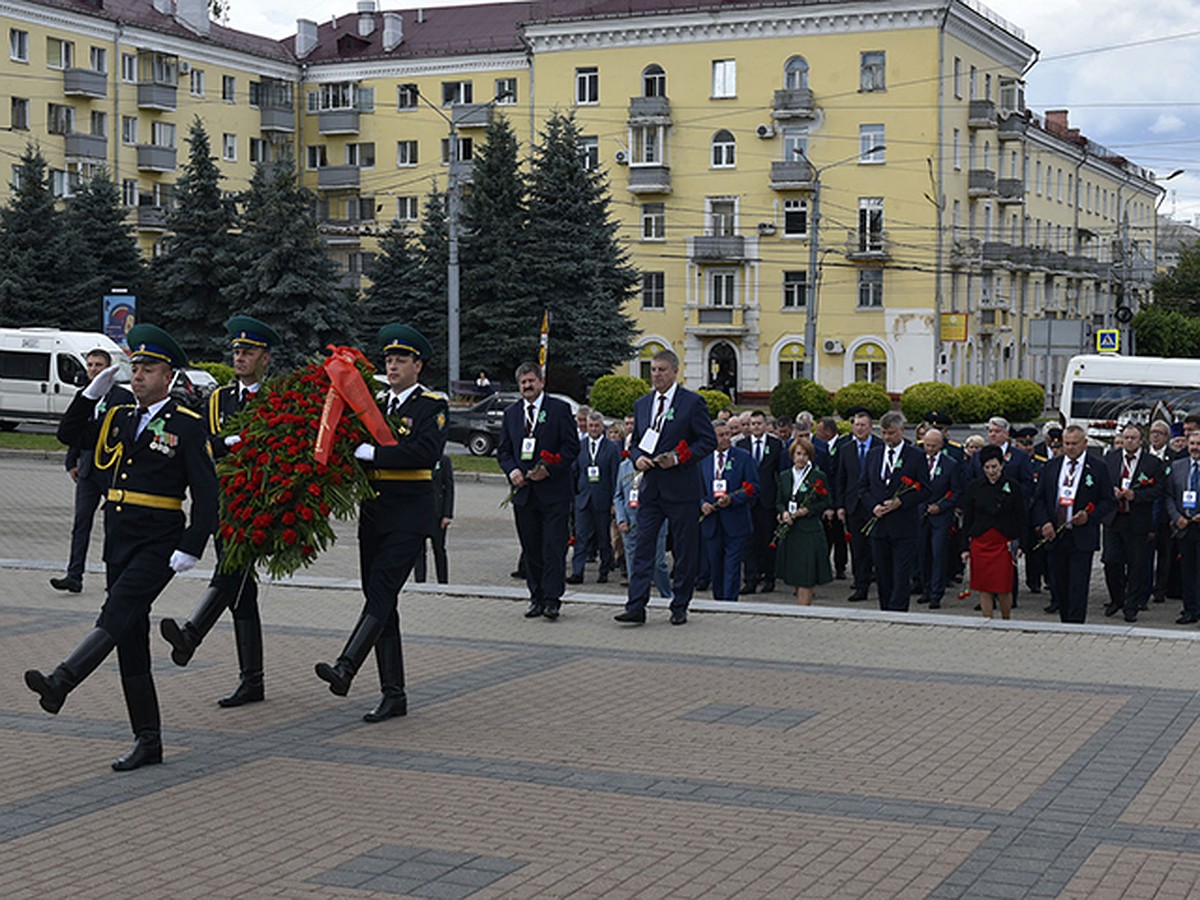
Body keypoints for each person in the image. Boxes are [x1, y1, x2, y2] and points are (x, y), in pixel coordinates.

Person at [25, 324, 217, 770]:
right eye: (136, 368)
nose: (139, 376)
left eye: (149, 369)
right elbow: (69, 435)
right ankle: (148, 741)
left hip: (160, 542)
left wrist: (192, 545)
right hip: (120, 541)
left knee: (115, 613)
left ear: (168, 376)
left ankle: (62, 680)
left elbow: (207, 496)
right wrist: (89, 395)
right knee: (130, 639)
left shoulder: (186, 426)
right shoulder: (121, 417)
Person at [314, 324, 449, 722]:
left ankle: (346, 667)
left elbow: (426, 453)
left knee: (383, 591)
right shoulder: (373, 404)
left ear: (417, 366)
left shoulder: (431, 405)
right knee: (380, 601)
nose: (393, 365)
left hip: (410, 513)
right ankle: (394, 694)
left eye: (401, 359)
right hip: (374, 513)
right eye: (389, 359)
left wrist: (374, 453)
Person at [159, 315, 280, 708]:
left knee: (231, 571)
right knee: (242, 593)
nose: (239, 357)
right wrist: (227, 443)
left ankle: (193, 633)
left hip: (260, 504)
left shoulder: (277, 398)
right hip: (224, 500)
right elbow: (204, 445)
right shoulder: (218, 399)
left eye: (248, 351)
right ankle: (253, 680)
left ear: (265, 357)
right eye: (236, 351)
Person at [616, 347, 717, 626]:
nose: (657, 374)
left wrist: (678, 458)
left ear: (675, 371)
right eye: (654, 369)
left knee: (684, 551)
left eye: (662, 369)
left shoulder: (691, 403)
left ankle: (680, 604)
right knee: (642, 547)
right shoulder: (642, 404)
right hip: (651, 489)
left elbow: (707, 441)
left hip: (682, 489)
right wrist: (638, 459)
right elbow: (635, 442)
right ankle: (636, 605)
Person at [497, 362, 579, 619]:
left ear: (541, 382)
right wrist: (512, 472)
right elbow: (504, 451)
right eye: (523, 382)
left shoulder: (559, 409)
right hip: (524, 494)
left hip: (553, 492)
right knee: (530, 548)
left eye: (531, 381)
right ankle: (536, 597)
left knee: (553, 548)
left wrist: (550, 469)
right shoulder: (511, 414)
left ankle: (553, 599)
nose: (527, 386)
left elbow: (571, 448)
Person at [51, 347, 134, 594]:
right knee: (81, 522)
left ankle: (114, 578)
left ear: (108, 369)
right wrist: (71, 462)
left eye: (98, 365)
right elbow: (75, 432)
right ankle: (74, 575)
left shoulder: (122, 397)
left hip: (110, 470)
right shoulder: (84, 396)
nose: (93, 369)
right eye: (90, 365)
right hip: (87, 469)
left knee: (113, 524)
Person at [1031, 424, 1116, 624]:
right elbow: (1040, 499)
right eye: (1066, 443)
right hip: (1056, 535)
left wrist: (1090, 517)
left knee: (1078, 585)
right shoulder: (1052, 466)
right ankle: (1064, 621)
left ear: (1085, 444)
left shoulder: (1098, 468)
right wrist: (1044, 523)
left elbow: (1108, 501)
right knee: (1059, 583)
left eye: (1074, 444)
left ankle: (1076, 624)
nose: (1070, 448)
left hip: (1081, 536)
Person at [859, 411, 926, 612]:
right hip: (879, 525)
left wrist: (901, 501)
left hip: (903, 526)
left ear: (901, 431)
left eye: (891, 433)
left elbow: (925, 489)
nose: (887, 438)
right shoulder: (874, 454)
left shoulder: (915, 456)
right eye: (884, 433)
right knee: (882, 572)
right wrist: (873, 506)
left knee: (901, 572)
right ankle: (885, 608)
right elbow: (863, 487)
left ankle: (898, 610)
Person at [1101, 423, 1163, 623]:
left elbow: (1159, 490)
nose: (1129, 441)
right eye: (1126, 437)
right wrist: (1112, 493)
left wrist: (1135, 495)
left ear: (1140, 440)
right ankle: (1117, 598)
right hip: (1114, 518)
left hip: (1137, 520)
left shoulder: (1152, 463)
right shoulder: (1110, 458)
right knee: (1110, 561)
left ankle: (1131, 605)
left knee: (1136, 565)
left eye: (1133, 438)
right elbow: (1102, 485)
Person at [960, 445, 1026, 620]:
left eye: (994, 467)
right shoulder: (974, 487)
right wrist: (964, 548)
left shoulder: (1012, 486)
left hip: (1003, 542)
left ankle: (1006, 620)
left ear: (1002, 465)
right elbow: (968, 518)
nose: (991, 471)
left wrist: (1022, 544)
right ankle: (987, 619)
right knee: (984, 586)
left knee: (1003, 586)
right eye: (987, 468)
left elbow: (1021, 516)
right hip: (980, 542)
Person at [699, 420, 758, 602]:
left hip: (735, 521)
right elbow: (694, 488)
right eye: (721, 435)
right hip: (712, 522)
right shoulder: (703, 459)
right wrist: (702, 504)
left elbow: (754, 487)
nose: (726, 438)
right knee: (716, 565)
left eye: (728, 434)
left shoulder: (743, 457)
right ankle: (719, 601)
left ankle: (730, 603)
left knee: (732, 566)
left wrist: (733, 499)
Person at [775, 437, 832, 605]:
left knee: (807, 576)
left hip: (809, 530)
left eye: (805, 455)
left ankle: (804, 610)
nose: (801, 458)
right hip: (791, 530)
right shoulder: (785, 476)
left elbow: (826, 501)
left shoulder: (817, 476)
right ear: (792, 455)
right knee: (795, 575)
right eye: (798, 454)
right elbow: (779, 501)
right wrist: (784, 513)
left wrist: (808, 510)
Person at [736, 409, 786, 594]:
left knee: (768, 541)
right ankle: (750, 579)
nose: (756, 427)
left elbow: (779, 473)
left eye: (759, 423)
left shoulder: (775, 444)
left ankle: (770, 578)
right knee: (749, 542)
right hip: (747, 501)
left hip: (767, 501)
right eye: (753, 424)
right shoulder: (742, 445)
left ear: (765, 425)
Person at [567, 411, 620, 584]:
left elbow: (615, 476)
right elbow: (574, 472)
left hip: (603, 499)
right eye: (591, 426)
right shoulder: (580, 446)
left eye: (597, 426)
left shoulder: (611, 448)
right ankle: (577, 571)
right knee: (581, 537)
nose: (594, 429)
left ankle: (604, 569)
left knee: (603, 537)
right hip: (583, 499)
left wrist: (614, 501)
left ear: (602, 426)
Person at [613, 448, 673, 600]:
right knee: (633, 563)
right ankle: (636, 598)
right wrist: (621, 519)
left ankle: (667, 595)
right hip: (630, 521)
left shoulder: (657, 465)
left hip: (654, 520)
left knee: (658, 563)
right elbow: (618, 496)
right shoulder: (624, 466)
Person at [834, 407, 879, 602]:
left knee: (876, 548)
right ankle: (861, 586)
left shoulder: (879, 446)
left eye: (863, 425)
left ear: (870, 427)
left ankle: (880, 582)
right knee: (858, 549)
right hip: (853, 506)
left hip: (874, 506)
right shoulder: (846, 449)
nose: (859, 429)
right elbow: (841, 479)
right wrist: (840, 505)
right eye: (856, 425)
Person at [916, 428, 963, 609]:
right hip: (921, 514)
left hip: (940, 517)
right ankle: (926, 588)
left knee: (938, 554)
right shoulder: (918, 461)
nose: (930, 449)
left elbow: (957, 491)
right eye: (927, 445)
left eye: (934, 446)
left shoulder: (950, 464)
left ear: (941, 445)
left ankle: (937, 593)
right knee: (923, 553)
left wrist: (941, 506)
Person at [1165, 431, 1200, 624]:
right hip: (1184, 525)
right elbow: (1169, 495)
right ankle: (1190, 610)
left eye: (1199, 444)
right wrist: (1176, 516)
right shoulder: (1177, 466)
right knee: (1187, 571)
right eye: (1192, 443)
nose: (1195, 447)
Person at [414, 454, 454, 584]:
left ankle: (443, 581)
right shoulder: (418, 458)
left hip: (438, 514)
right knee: (419, 551)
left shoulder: (444, 460)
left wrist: (447, 514)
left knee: (439, 549)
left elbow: (449, 488)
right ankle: (420, 582)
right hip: (420, 513)